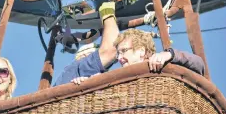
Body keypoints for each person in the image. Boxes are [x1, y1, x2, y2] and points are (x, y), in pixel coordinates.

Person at [70, 28, 205, 85]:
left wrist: (170, 54)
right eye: (118, 53)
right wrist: (87, 82)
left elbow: (199, 64)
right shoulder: (117, 77)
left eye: (123, 51)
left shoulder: (160, 65)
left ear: (141, 51)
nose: (119, 57)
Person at [54, 2, 120, 86]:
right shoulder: (80, 67)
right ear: (84, 56)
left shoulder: (70, 73)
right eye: (93, 55)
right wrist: (107, 13)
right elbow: (110, 50)